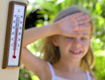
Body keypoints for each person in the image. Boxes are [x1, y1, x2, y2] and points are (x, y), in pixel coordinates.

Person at [21, 5, 96, 80]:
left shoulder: (91, 78)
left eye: (83, 38)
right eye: (70, 37)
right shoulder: (46, 71)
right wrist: (55, 27)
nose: (77, 44)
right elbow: (16, 44)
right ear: (55, 40)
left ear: (89, 40)